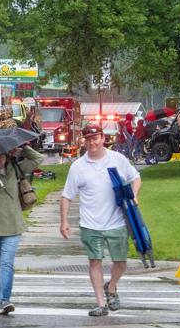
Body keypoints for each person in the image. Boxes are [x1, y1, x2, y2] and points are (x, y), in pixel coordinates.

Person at [59, 125, 140, 317]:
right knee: (94, 261)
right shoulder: (78, 166)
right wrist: (64, 221)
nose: (92, 143)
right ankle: (101, 304)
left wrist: (134, 195)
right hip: (90, 223)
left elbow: (135, 177)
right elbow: (66, 196)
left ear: (103, 138)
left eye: (95, 138)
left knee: (120, 262)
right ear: (83, 141)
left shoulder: (118, 160)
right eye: (87, 139)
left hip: (116, 221)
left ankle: (111, 287)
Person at [0, 141, 44, 315]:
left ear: (8, 155)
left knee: (7, 263)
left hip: (13, 224)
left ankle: (5, 300)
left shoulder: (16, 169)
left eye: (2, 154)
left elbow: (38, 159)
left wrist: (23, 146)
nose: (0, 158)